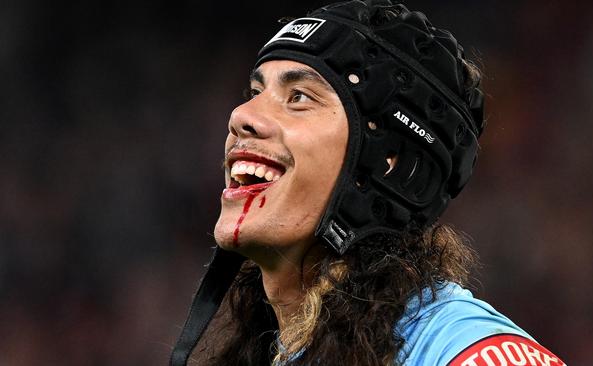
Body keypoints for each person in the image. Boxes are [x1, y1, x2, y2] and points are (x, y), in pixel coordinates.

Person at [171, 1, 567, 365]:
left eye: (299, 98)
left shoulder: (459, 346)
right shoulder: (274, 347)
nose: (242, 115)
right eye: (256, 92)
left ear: (388, 163)